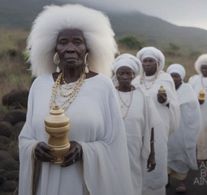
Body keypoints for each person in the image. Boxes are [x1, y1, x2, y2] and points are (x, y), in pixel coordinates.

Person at [18, 4, 134, 195]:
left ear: (88, 47)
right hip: (45, 180)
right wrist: (34, 148)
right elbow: (26, 136)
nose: (70, 48)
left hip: (84, 184)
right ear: (54, 48)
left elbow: (114, 143)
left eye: (77, 42)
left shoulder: (103, 86)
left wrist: (85, 151)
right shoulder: (40, 85)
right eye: (63, 42)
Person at [132, 47, 180, 195]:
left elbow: (174, 104)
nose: (147, 64)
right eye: (144, 61)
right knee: (137, 158)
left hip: (158, 129)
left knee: (156, 156)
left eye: (150, 61)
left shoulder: (165, 79)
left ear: (158, 63)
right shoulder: (135, 80)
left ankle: (154, 189)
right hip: (138, 128)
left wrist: (165, 101)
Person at [113, 53, 158, 195]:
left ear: (133, 75)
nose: (125, 76)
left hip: (135, 149)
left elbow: (150, 126)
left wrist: (152, 153)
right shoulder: (109, 95)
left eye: (128, 73)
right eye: (121, 73)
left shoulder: (143, 97)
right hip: (112, 148)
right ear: (116, 75)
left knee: (133, 182)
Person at [167, 64, 201, 193]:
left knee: (182, 153)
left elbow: (194, 110)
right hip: (168, 128)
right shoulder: (164, 88)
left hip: (183, 129)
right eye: (171, 76)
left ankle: (182, 182)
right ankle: (167, 179)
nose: (174, 78)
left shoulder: (187, 90)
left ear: (181, 77)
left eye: (176, 76)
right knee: (167, 153)